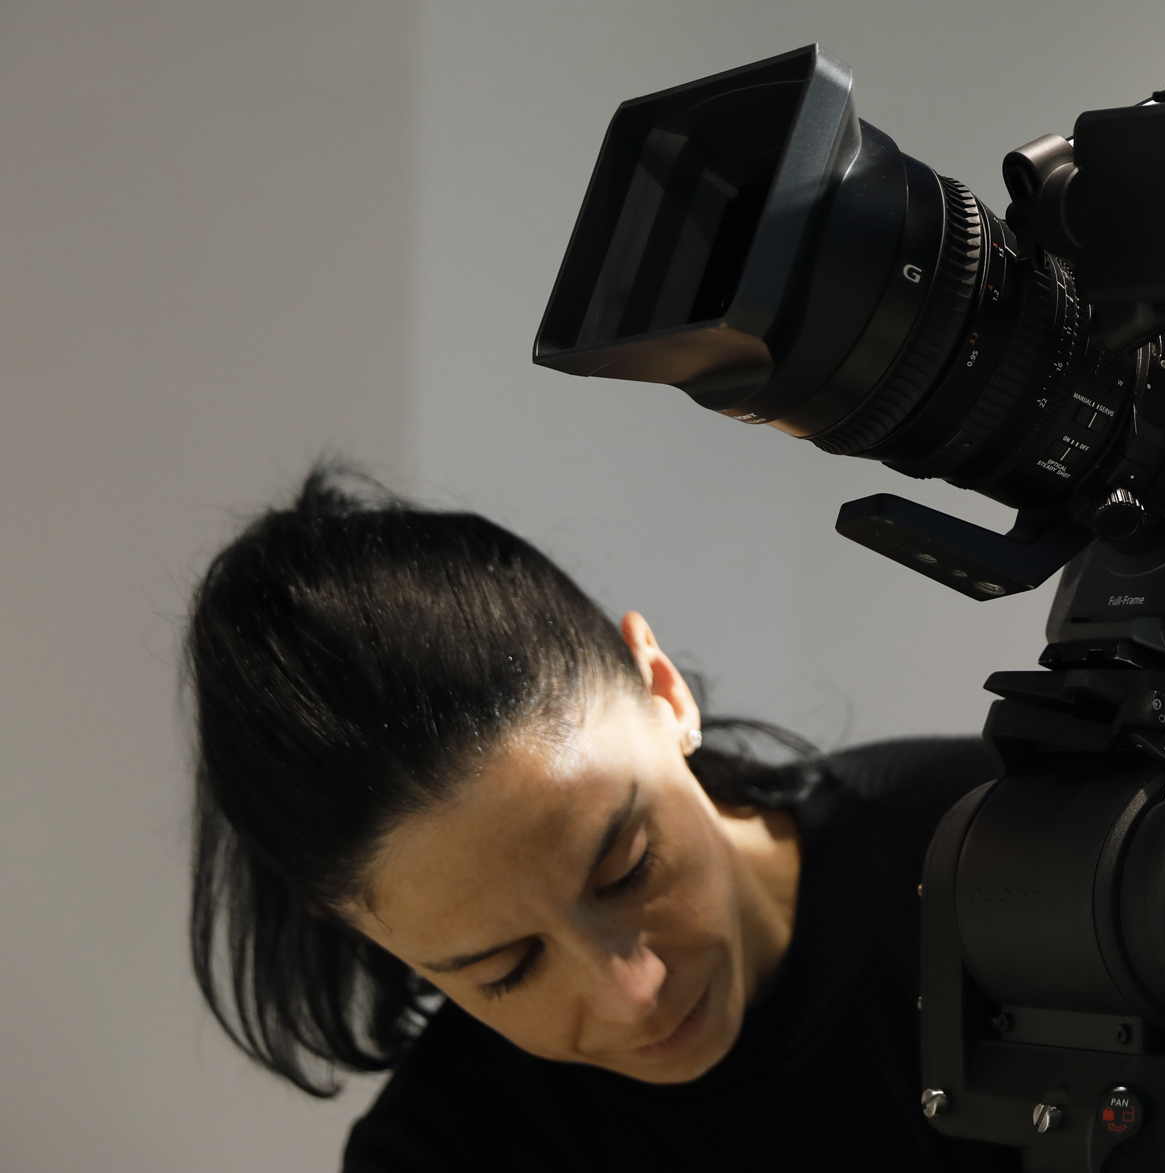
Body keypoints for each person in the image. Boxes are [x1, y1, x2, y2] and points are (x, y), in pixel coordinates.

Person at [186, 466, 1019, 1171]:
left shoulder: (1008, 840)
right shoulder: (441, 1148)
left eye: (628, 868)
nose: (633, 995)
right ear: (358, 925)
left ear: (663, 689)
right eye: (507, 967)